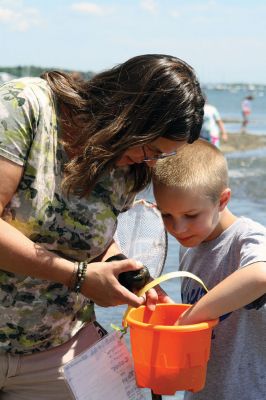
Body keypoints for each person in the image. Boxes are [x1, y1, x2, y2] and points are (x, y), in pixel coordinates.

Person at [0, 54, 204, 399]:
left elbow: (96, 244)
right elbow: (79, 266)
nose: (149, 161)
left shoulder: (128, 169)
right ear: (129, 113)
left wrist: (132, 279)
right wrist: (77, 276)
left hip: (59, 353)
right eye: (150, 148)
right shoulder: (26, 106)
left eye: (161, 156)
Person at [152, 139, 266, 400]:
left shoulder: (248, 238)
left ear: (222, 200)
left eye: (191, 215)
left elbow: (261, 274)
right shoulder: (190, 245)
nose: (177, 228)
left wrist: (188, 318)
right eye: (166, 215)